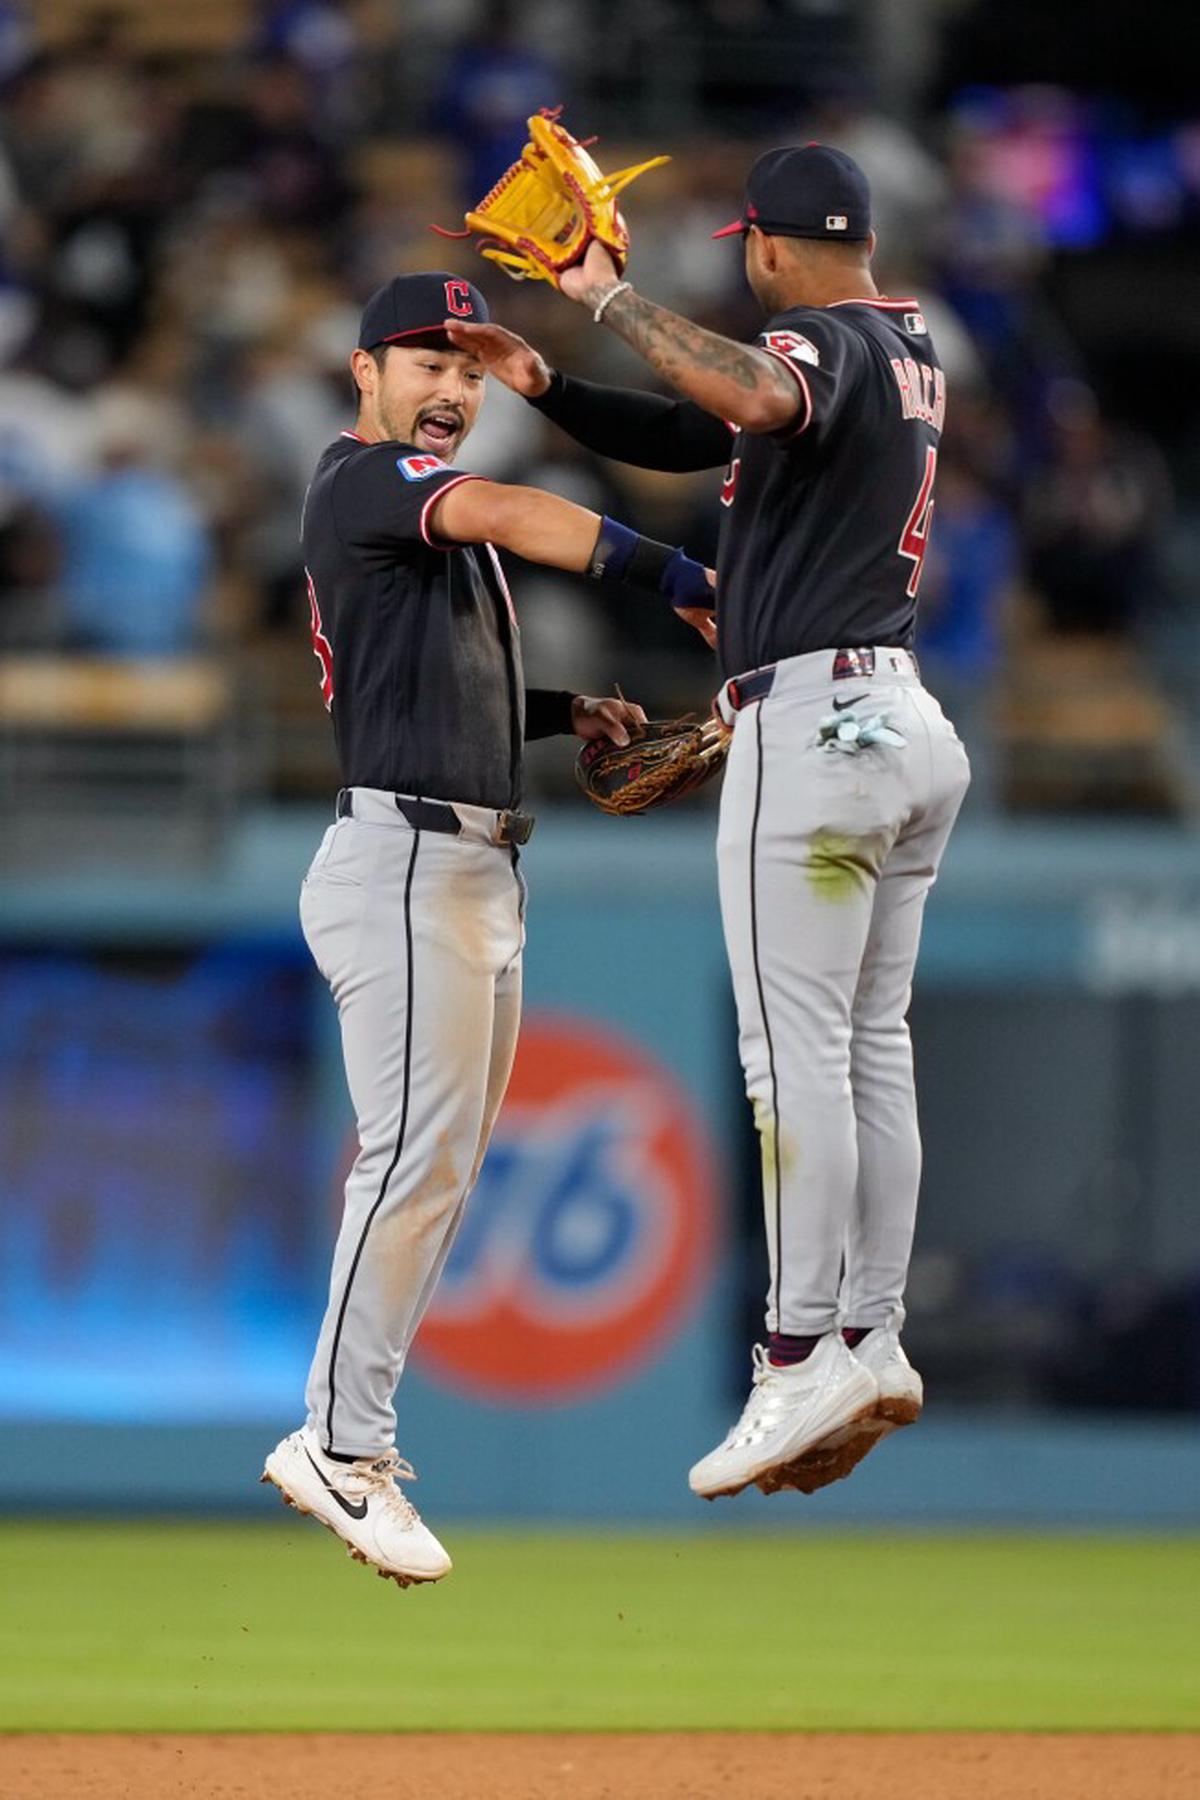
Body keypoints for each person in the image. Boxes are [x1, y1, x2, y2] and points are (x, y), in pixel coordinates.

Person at [447, 146, 971, 1500]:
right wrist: (556, 382)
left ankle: (797, 1358)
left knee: (787, 1054)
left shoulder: (816, 341)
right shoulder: (907, 346)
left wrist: (609, 296)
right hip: (902, 721)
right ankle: (873, 1336)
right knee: (867, 1046)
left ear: (769, 248)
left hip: (817, 727)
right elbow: (701, 428)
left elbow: (742, 384)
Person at [262, 271, 714, 1582]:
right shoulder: (362, 477)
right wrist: (669, 566)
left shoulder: (417, 530)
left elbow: (417, 684)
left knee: (442, 1167)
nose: (451, 388)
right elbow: (518, 512)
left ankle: (351, 1436)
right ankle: (337, 1446)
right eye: (424, 360)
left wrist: (561, 709)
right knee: (410, 1158)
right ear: (364, 374)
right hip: (406, 862)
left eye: (465, 365)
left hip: (467, 864)